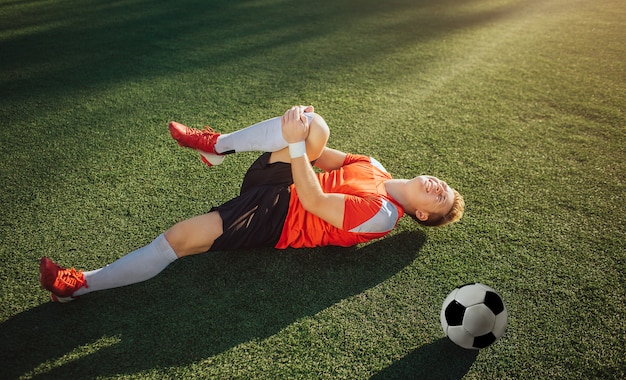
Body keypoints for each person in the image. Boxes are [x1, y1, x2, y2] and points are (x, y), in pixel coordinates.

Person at [39, 106, 465, 302]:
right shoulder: (375, 167)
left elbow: (314, 200)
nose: (436, 184)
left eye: (438, 195)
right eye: (442, 183)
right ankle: (217, 146)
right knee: (315, 126)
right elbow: (317, 153)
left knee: (179, 239)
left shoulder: (382, 216)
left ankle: (79, 284)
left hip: (278, 218)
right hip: (284, 178)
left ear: (422, 214)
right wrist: (298, 136)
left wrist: (296, 147)